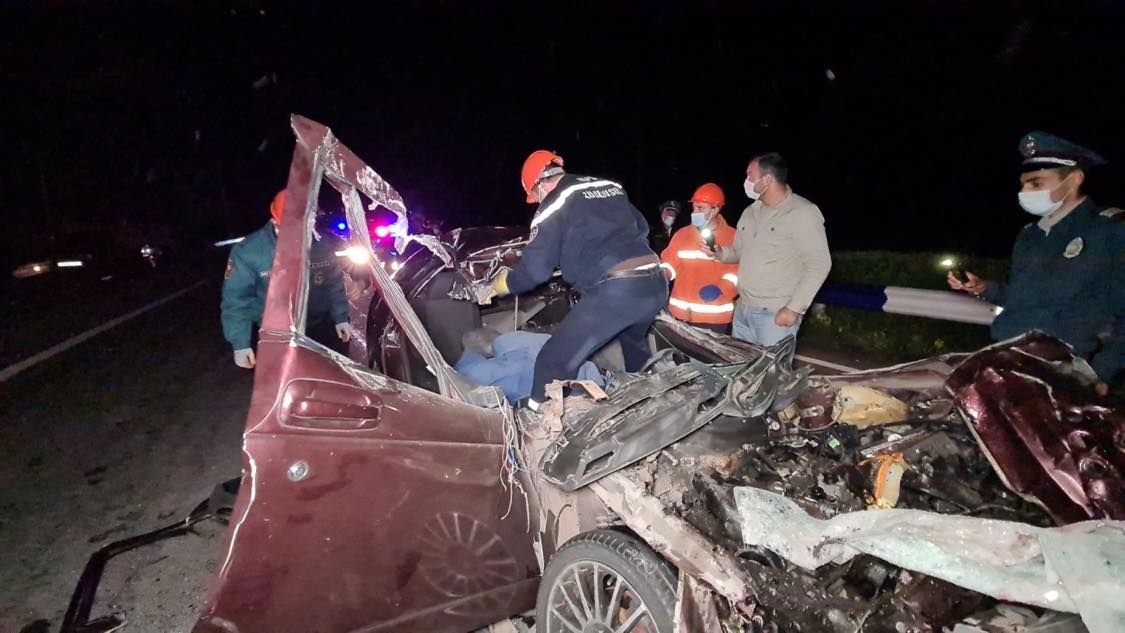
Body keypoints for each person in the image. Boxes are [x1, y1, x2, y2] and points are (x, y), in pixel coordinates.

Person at [489, 150, 669, 410]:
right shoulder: (607, 186)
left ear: (540, 185)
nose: (538, 202)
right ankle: (649, 404)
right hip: (654, 282)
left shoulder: (554, 201)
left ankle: (539, 421)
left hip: (618, 290)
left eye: (535, 197)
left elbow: (535, 271)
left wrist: (505, 284)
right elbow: (640, 227)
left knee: (553, 361)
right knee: (634, 345)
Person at [948, 131, 1123, 392]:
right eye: (1023, 184)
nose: (1025, 191)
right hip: (1008, 357)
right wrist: (985, 288)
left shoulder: (1110, 231)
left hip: (1065, 371)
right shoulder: (1030, 235)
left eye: (1036, 183)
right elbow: (1024, 298)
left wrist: (1101, 372)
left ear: (1074, 179)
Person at [706, 153, 831, 346]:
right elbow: (739, 252)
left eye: (750, 175)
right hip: (743, 308)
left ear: (767, 179)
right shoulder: (750, 212)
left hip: (774, 314)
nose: (746, 181)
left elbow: (820, 264)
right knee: (742, 365)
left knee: (771, 367)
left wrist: (794, 308)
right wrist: (720, 253)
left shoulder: (802, 212)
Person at [221, 189, 352, 368]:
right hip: (276, 335)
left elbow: (334, 283)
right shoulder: (250, 252)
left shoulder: (322, 244)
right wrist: (240, 344)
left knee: (327, 376)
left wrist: (341, 318)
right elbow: (236, 299)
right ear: (276, 221)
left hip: (320, 327)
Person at [660, 183, 739, 333]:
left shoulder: (733, 237)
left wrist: (723, 288)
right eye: (694, 207)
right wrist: (661, 275)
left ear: (715, 209)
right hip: (678, 315)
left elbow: (740, 272)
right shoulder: (682, 234)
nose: (694, 212)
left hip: (713, 318)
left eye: (700, 208)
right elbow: (669, 262)